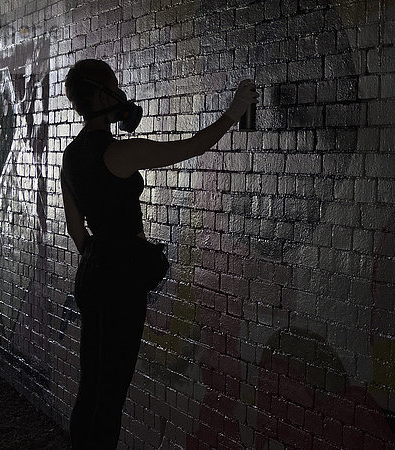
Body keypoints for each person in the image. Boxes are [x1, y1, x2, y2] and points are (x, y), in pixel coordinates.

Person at [60, 58, 258, 448]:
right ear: (101, 95)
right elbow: (194, 146)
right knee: (112, 394)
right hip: (120, 279)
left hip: (92, 272)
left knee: (91, 387)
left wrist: (99, 259)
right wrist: (233, 113)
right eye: (113, 85)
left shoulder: (71, 156)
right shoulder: (119, 154)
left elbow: (75, 229)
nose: (120, 93)